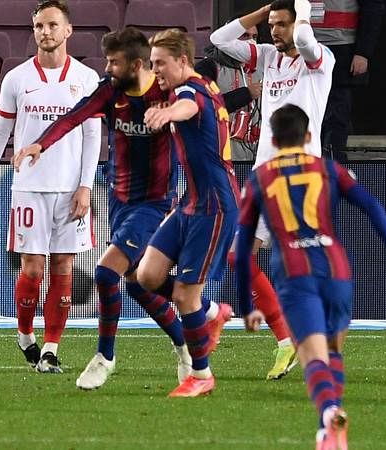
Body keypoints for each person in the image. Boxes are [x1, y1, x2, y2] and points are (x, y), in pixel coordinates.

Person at [12, 27, 233, 390]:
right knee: (139, 284)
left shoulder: (167, 92)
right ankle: (191, 334)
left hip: (155, 203)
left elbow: (196, 103)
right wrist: (40, 144)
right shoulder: (111, 91)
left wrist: (171, 112)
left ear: (136, 64)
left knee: (104, 273)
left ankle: (105, 356)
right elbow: (73, 117)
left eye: (114, 62)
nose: (108, 68)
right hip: (120, 200)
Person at [236, 104, 386, 449]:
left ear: (272, 140)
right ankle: (331, 429)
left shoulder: (259, 178)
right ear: (308, 136)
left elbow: (243, 249)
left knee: (312, 356)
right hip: (336, 268)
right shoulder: (329, 169)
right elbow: (372, 206)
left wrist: (247, 306)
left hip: (294, 273)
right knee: (332, 350)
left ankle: (330, 413)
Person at [0, 0, 101, 374]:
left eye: (53, 25)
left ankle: (51, 349)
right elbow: (0, 132)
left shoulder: (87, 79)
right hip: (29, 188)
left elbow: (93, 137)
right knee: (32, 269)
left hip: (70, 190)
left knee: (64, 266)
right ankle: (25, 335)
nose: (46, 31)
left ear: (68, 30)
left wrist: (85, 187)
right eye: (40, 25)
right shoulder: (17, 78)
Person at [211, 0, 335, 380]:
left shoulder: (319, 59)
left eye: (281, 24)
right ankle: (286, 340)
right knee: (238, 256)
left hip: (300, 176)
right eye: (272, 24)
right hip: (264, 174)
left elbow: (305, 40)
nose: (274, 31)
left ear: (299, 23)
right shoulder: (268, 57)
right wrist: (263, 11)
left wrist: (302, 11)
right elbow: (219, 40)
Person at [136, 28, 238, 397]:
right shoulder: (199, 86)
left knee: (183, 296)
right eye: (152, 64)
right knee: (146, 275)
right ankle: (211, 312)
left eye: (160, 63)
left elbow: (187, 106)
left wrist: (167, 114)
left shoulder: (190, 91)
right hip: (191, 202)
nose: (155, 71)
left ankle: (201, 375)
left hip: (214, 206)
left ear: (182, 61)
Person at [313, 0, 385, 162]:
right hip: (305, 48)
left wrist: (363, 52)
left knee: (335, 116)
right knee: (306, 114)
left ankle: (333, 167)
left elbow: (373, 10)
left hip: (341, 49)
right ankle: (309, 166)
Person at [196, 22, 264, 161]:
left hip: (254, 157)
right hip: (218, 158)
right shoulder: (208, 67)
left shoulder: (262, 67)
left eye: (254, 37)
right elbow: (202, 107)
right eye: (245, 36)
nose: (251, 41)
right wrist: (246, 94)